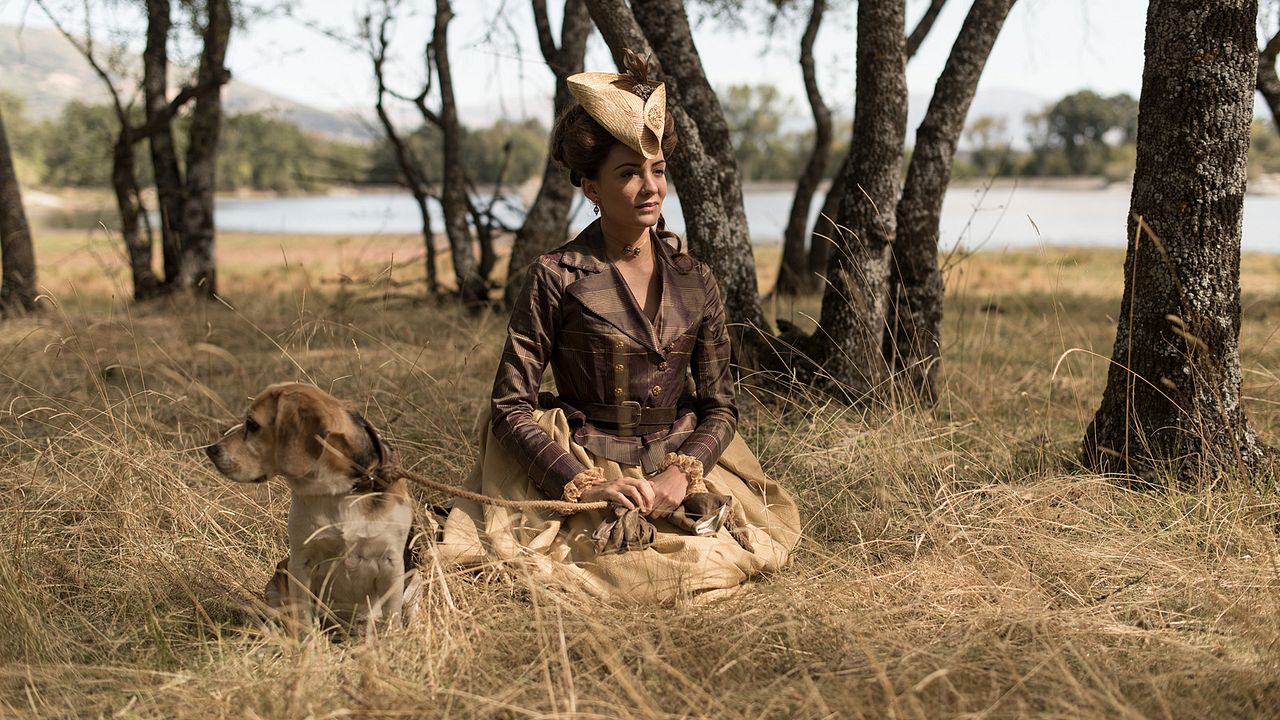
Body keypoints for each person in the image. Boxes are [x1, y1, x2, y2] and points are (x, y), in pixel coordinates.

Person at [435, 51, 800, 601]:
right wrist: (584, 486)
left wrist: (683, 474)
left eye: (657, 170)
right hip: (586, 462)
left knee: (720, 559)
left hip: (678, 459)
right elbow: (509, 407)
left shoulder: (696, 278)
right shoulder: (556, 275)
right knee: (579, 572)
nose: (650, 187)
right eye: (628, 173)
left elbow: (721, 405)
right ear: (591, 185)